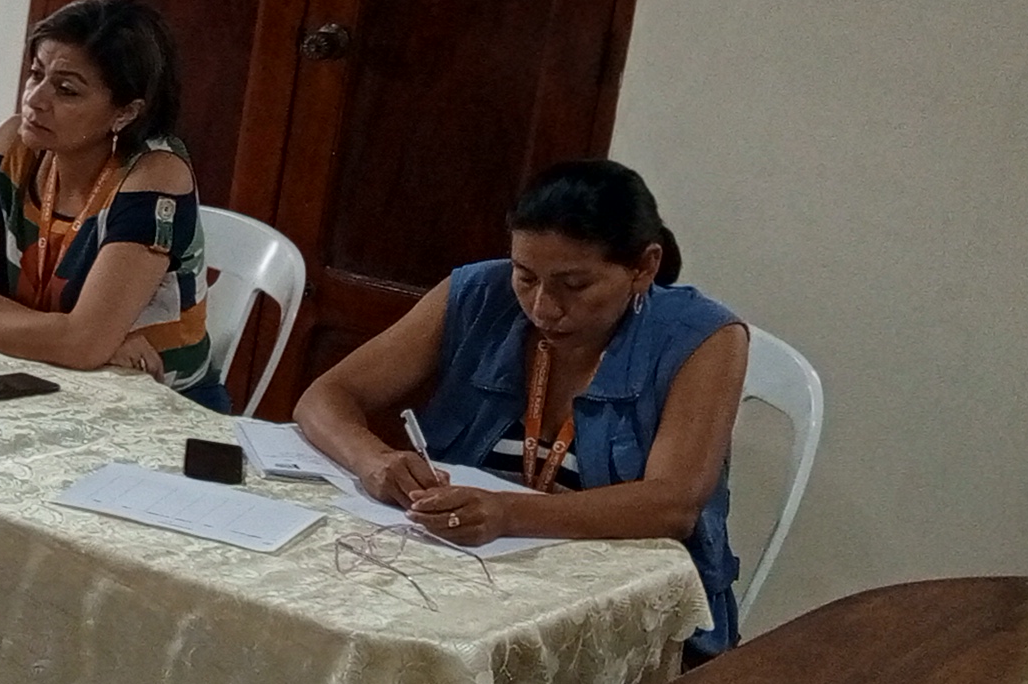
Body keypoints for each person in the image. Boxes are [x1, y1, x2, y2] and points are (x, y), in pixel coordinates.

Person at [295, 160, 750, 657]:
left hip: (625, 624)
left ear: (644, 267)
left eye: (574, 285)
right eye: (525, 276)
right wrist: (373, 460)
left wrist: (509, 512)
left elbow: (672, 505)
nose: (543, 306)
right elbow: (325, 397)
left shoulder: (702, 337)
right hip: (466, 591)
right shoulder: (478, 294)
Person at [0, 0, 222, 406]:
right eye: (35, 74)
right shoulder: (12, 146)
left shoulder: (155, 174)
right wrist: (77, 337)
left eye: (66, 90)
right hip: (37, 377)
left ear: (125, 113)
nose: (35, 100)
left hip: (156, 404)